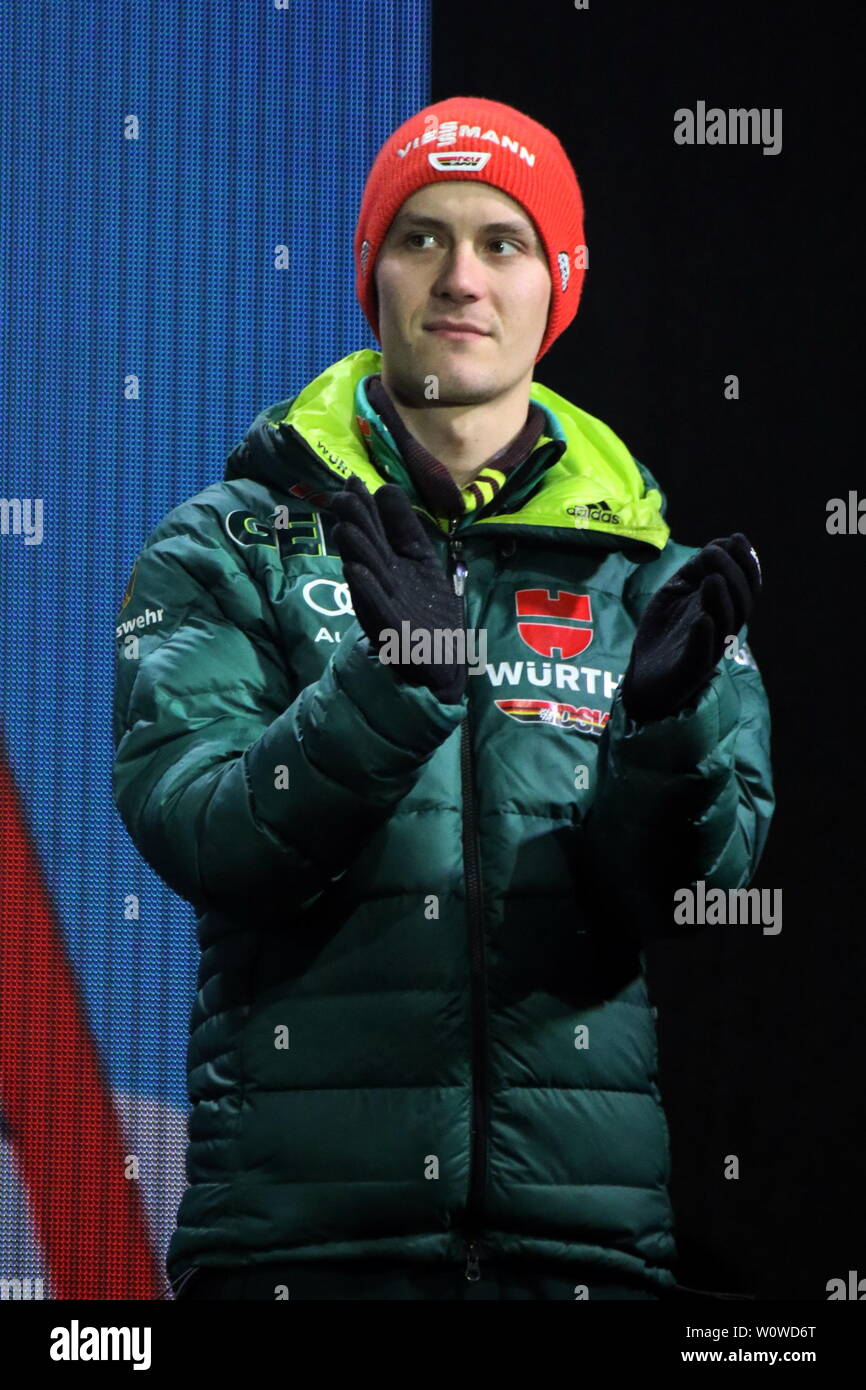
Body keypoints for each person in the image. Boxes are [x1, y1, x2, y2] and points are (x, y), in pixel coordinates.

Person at [112, 95, 774, 1301]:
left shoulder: (646, 573)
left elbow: (684, 893)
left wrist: (665, 738)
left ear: (554, 288)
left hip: (582, 1257)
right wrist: (391, 684)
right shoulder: (232, 541)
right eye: (421, 237)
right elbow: (198, 826)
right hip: (296, 1253)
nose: (460, 276)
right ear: (370, 274)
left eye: (502, 241)